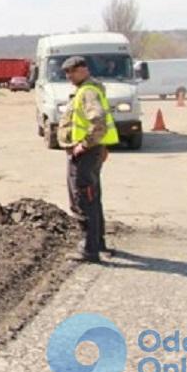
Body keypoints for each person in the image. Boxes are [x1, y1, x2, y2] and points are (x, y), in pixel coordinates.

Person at [57, 56, 119, 263]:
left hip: (85, 154)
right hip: (93, 151)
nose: (69, 76)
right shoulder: (89, 90)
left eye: (72, 72)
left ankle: (89, 248)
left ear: (83, 70)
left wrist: (85, 144)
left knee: (83, 198)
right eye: (66, 73)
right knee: (93, 197)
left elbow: (98, 120)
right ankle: (97, 243)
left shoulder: (88, 92)